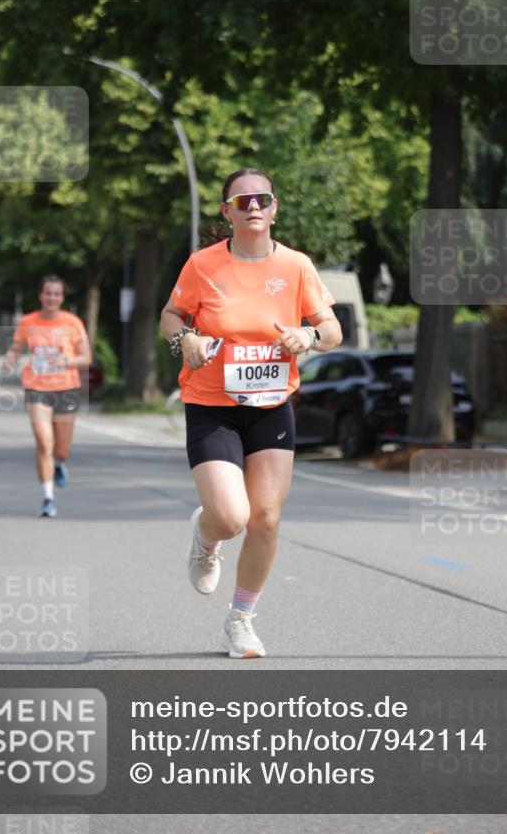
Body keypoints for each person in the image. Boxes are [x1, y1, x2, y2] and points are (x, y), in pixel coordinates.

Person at [160, 168, 342, 658]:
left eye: (262, 199)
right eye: (243, 202)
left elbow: (331, 329)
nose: (253, 207)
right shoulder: (203, 265)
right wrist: (187, 339)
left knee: (264, 518)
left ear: (274, 207)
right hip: (211, 404)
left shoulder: (298, 266)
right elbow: (171, 315)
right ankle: (206, 534)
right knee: (230, 516)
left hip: (272, 405)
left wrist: (307, 336)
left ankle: (240, 620)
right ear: (228, 212)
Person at [3, 276, 92, 518]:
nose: (51, 298)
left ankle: (60, 463)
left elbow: (86, 357)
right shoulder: (27, 322)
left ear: (62, 298)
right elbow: (16, 347)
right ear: (40, 295)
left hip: (66, 387)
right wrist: (10, 359)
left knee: (61, 450)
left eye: (56, 294)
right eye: (47, 293)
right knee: (44, 442)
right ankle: (48, 498)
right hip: (36, 387)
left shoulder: (72, 322)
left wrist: (66, 360)